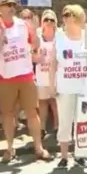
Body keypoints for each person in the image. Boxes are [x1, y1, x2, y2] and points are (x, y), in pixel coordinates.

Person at [0, 0, 51, 162]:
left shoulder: (23, 25)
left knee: (32, 112)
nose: (11, 7)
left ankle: (38, 147)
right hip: (6, 78)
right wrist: (2, 31)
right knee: (8, 115)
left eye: (12, 5)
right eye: (6, 5)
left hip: (26, 75)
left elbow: (35, 44)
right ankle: (9, 148)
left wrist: (36, 32)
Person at [48, 4, 87, 169]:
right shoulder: (59, 37)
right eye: (63, 15)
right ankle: (64, 156)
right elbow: (52, 64)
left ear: (77, 17)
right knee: (65, 122)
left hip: (85, 87)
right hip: (65, 86)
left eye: (68, 15)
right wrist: (52, 85)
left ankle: (80, 155)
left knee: (82, 122)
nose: (64, 18)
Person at [35, 10, 58, 139]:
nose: (49, 22)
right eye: (46, 19)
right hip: (41, 76)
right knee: (42, 103)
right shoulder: (37, 38)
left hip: (56, 77)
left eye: (51, 20)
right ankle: (42, 128)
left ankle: (57, 126)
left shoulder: (59, 37)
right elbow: (31, 56)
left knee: (55, 103)